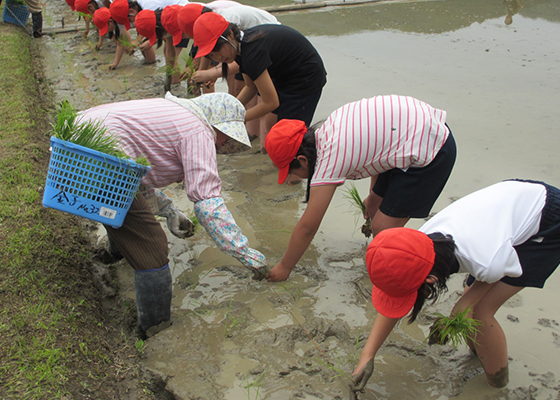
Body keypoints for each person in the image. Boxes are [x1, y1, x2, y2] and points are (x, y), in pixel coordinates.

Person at [77, 92, 268, 337]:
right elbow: (208, 204)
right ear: (217, 126)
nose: (222, 144)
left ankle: (115, 253)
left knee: (128, 211)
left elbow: (138, 179)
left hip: (81, 146)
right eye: (225, 137)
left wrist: (169, 211)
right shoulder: (198, 130)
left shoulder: (175, 115)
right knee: (153, 249)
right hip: (99, 160)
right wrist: (245, 253)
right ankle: (155, 331)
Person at [351, 179, 560, 393]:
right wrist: (368, 354)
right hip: (504, 212)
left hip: (548, 219)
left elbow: (501, 269)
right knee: (468, 308)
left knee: (479, 312)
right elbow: (398, 292)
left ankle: (497, 387)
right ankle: (481, 355)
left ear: (431, 279)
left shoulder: (486, 260)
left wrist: (460, 308)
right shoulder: (415, 245)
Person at [264, 95, 456, 282]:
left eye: (292, 172)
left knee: (382, 229)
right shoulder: (330, 129)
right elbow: (380, 147)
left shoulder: (330, 158)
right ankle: (383, 259)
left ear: (302, 160)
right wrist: (373, 195)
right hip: (412, 133)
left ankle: (411, 273)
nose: (294, 178)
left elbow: (308, 227)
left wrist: (284, 267)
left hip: (432, 148)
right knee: (373, 209)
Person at [193, 12, 327, 150]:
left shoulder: (251, 52)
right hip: (284, 74)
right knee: (272, 126)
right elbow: (251, 87)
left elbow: (271, 102)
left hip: (305, 78)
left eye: (216, 49)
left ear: (230, 35)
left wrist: (235, 120)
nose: (217, 57)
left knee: (289, 135)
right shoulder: (239, 48)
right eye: (211, 54)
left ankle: (304, 160)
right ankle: (273, 161)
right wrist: (230, 111)